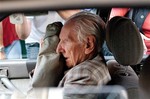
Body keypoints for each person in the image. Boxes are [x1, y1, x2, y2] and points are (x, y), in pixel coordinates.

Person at [56, 12, 111, 87]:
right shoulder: (95, 64)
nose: (58, 49)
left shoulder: (83, 75)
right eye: (60, 41)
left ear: (89, 44)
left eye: (66, 41)